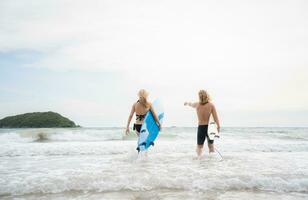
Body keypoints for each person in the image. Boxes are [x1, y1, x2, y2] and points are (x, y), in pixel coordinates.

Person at [184, 90, 220, 158]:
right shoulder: (211, 105)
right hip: (209, 128)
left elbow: (190, 104)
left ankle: (199, 160)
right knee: (211, 146)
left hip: (201, 128)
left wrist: (187, 103)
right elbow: (216, 118)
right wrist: (218, 128)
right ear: (207, 95)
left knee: (199, 147)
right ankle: (212, 161)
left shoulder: (197, 104)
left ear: (199, 96)